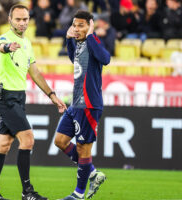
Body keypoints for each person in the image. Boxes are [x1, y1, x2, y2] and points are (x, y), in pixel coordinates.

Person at [0, 4, 67, 200]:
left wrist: (52, 95)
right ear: (10, 20)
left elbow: (35, 72)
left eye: (25, 19)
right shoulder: (5, 38)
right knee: (28, 138)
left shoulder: (27, 43)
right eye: (18, 19)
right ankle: (27, 192)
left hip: (18, 98)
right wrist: (7, 47)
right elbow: (0, 47)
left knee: (2, 146)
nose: (22, 23)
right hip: (7, 98)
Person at [54, 10, 110, 200]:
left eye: (81, 25)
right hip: (75, 103)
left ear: (90, 25)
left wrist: (92, 35)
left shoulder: (93, 42)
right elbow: (74, 60)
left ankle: (78, 194)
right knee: (60, 141)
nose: (77, 29)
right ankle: (92, 172)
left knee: (83, 148)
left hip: (89, 103)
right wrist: (69, 39)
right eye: (75, 25)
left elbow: (106, 59)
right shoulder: (78, 44)